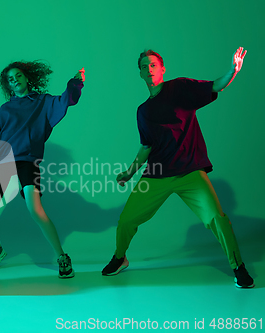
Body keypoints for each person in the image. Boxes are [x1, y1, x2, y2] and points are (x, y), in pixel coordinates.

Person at [102, 47, 254, 288]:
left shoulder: (180, 88)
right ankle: (120, 258)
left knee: (217, 218)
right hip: (157, 175)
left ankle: (239, 267)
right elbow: (146, 147)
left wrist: (233, 70)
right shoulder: (142, 111)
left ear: (162, 69)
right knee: (126, 220)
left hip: (190, 171)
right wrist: (129, 173)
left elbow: (215, 86)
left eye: (153, 65)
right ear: (140, 74)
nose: (149, 69)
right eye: (144, 67)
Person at [0, 60, 85, 278]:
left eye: (18, 76)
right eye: (10, 80)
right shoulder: (5, 109)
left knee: (35, 210)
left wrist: (75, 84)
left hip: (27, 161)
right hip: (3, 162)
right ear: (8, 86)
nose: (15, 81)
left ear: (27, 78)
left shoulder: (42, 102)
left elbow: (65, 101)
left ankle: (62, 256)